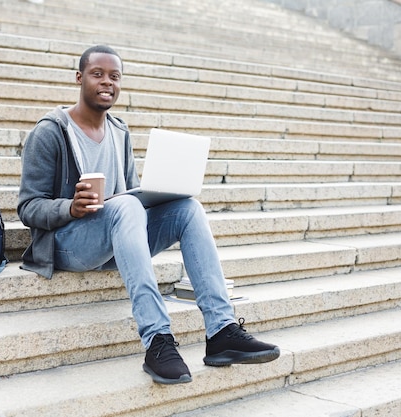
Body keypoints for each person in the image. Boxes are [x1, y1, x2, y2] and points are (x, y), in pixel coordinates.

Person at [17, 45, 280, 384]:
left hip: (116, 238)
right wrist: (71, 206)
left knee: (187, 208)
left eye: (114, 76)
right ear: (80, 78)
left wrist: (155, 195)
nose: (106, 82)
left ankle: (221, 330)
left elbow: (129, 195)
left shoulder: (119, 130)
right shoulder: (51, 131)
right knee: (126, 205)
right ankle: (157, 340)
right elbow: (28, 207)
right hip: (68, 243)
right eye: (97, 74)